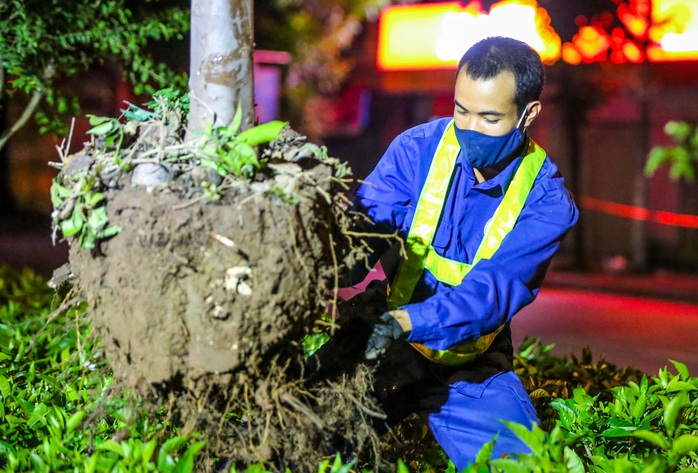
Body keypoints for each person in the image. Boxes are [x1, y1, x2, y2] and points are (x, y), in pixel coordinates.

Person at [330, 36, 579, 469]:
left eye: (489, 117)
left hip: (472, 366)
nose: (469, 129)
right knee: (291, 437)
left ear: (528, 114)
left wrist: (406, 322)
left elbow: (491, 294)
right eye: (461, 110)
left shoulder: (547, 204)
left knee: (525, 467)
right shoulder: (417, 150)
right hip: (384, 344)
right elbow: (361, 235)